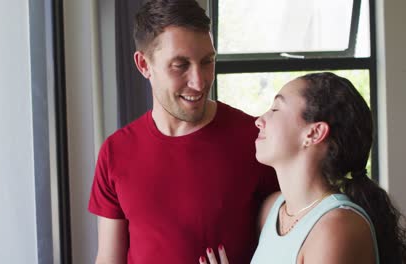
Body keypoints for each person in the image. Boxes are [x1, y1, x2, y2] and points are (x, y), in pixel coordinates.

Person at [88, 0, 279, 263]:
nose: (199, 82)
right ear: (144, 65)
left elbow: (296, 241)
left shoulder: (256, 140)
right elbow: (109, 258)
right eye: (180, 65)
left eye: (207, 61)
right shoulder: (115, 151)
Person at [199, 72, 406, 264]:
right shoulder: (273, 209)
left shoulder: (337, 227)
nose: (260, 121)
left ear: (314, 133)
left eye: (275, 109)